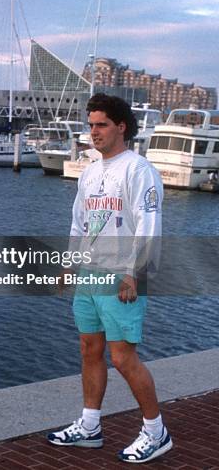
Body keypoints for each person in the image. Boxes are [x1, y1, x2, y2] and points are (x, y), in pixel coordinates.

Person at [48, 93, 172, 464]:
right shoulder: (90, 171)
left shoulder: (138, 170)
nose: (93, 132)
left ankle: (156, 432)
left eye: (101, 124)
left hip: (122, 276)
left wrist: (136, 274)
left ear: (121, 126)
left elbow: (149, 225)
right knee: (90, 349)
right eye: (90, 125)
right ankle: (89, 427)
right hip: (90, 273)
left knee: (123, 357)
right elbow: (79, 223)